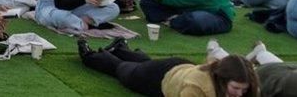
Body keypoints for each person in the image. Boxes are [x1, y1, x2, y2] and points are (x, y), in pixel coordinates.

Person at [79, 41, 260, 97]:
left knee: (144, 64)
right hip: (161, 77)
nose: (239, 94)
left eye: (243, 90)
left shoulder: (249, 88)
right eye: (236, 88)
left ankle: (121, 48)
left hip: (180, 67)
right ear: (222, 79)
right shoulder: (197, 88)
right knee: (123, 71)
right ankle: (89, 55)